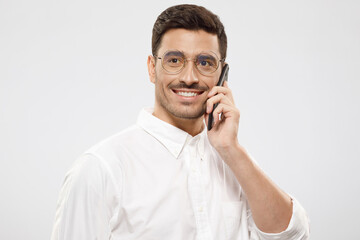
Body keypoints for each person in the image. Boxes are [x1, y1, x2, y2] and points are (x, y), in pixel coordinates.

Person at [51, 4, 309, 240]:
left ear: (222, 73)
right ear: (152, 68)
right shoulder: (101, 169)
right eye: (174, 60)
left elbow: (293, 235)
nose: (189, 77)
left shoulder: (234, 161)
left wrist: (231, 149)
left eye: (205, 62)